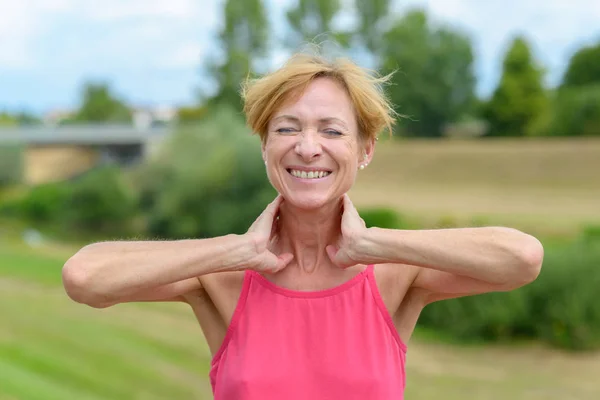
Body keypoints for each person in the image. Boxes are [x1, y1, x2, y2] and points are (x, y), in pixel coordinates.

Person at [62, 50, 544, 400]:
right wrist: (232, 251)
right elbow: (86, 278)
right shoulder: (223, 275)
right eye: (287, 128)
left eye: (332, 131)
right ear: (265, 146)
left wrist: (372, 243)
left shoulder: (395, 275)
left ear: (365, 150)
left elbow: (520, 260)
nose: (307, 147)